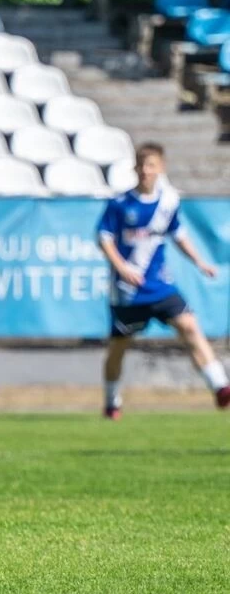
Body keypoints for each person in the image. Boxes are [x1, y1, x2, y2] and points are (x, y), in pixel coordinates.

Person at [97, 143, 229, 419]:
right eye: (141, 165)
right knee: (118, 348)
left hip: (160, 287)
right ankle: (112, 402)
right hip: (128, 291)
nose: (145, 171)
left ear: (161, 168)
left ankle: (220, 387)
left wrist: (200, 262)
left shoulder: (168, 202)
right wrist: (121, 267)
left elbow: (178, 235)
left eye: (151, 165)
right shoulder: (120, 204)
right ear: (134, 168)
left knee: (189, 326)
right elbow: (104, 238)